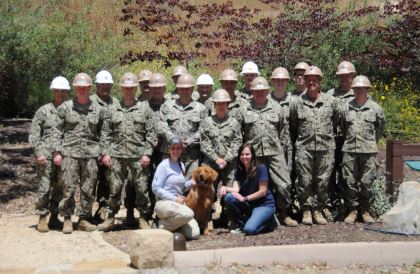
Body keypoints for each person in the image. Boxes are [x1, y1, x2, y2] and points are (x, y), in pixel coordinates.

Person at [99, 72, 157, 231]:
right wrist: (106, 153)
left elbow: (151, 134)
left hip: (138, 157)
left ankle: (143, 218)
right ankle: (110, 218)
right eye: (126, 88)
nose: (129, 91)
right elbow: (105, 133)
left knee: (141, 189)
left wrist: (147, 153)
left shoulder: (145, 109)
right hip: (116, 156)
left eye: (131, 88)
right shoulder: (112, 109)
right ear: (121, 88)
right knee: (114, 189)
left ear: (135, 88)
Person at [238, 76, 296, 227]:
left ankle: (283, 213)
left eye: (263, 91)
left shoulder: (277, 108)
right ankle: (261, 215)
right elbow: (240, 133)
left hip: (275, 152)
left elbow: (283, 131)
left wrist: (283, 150)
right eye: (256, 91)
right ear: (251, 91)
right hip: (254, 155)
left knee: (284, 184)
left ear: (267, 91)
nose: (259, 94)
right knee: (255, 187)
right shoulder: (244, 109)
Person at [53, 73, 103, 234]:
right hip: (70, 154)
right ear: (75, 88)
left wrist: (103, 152)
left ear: (90, 88)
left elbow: (104, 133)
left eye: (85, 87)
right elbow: (56, 131)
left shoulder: (98, 109)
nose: (82, 89)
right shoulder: (65, 107)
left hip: (90, 155)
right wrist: (56, 152)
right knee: (68, 188)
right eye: (79, 87)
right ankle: (67, 219)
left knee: (88, 189)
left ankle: (83, 219)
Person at [290, 66, 340, 225]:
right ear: (304, 81)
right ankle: (306, 210)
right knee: (304, 180)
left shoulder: (331, 101)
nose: (311, 82)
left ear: (320, 82)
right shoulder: (297, 102)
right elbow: (293, 124)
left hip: (326, 149)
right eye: (308, 80)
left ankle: (318, 209)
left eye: (314, 80)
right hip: (304, 148)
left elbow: (338, 122)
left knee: (323, 180)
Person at [339, 75, 385, 224]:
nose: (359, 91)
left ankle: (365, 210)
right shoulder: (345, 107)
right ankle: (352, 210)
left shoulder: (376, 108)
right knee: (349, 181)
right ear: (353, 90)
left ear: (367, 89)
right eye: (356, 89)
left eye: (362, 88)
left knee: (367, 182)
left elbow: (380, 128)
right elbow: (343, 127)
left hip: (369, 151)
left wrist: (371, 142)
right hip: (350, 150)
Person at [29, 76, 70, 232]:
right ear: (53, 91)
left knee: (61, 188)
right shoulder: (43, 111)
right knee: (44, 187)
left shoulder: (71, 110)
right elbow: (34, 135)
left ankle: (54, 217)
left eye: (63, 90)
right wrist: (39, 153)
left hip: (65, 156)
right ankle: (42, 217)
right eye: (57, 90)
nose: (60, 93)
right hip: (45, 156)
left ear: (67, 92)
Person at [219, 143, 276, 235]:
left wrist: (244, 198)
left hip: (263, 205)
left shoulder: (261, 168)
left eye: (247, 154)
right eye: (242, 154)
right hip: (250, 204)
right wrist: (224, 187)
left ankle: (270, 222)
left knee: (249, 230)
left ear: (252, 155)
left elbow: (262, 192)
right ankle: (242, 225)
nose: (244, 157)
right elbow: (236, 189)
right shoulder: (239, 170)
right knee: (229, 198)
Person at [159, 73, 208, 179]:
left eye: (188, 89)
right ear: (177, 89)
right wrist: (176, 140)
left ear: (193, 89)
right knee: (169, 185)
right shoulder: (167, 106)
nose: (185, 92)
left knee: (189, 188)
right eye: (182, 89)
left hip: (191, 156)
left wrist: (189, 141)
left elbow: (204, 129)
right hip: (170, 154)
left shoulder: (201, 108)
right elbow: (162, 126)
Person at [152, 137, 200, 240]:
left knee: (195, 234)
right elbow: (155, 188)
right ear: (169, 150)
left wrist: (192, 183)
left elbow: (180, 186)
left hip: (178, 204)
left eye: (178, 148)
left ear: (182, 150)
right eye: (173, 148)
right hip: (164, 203)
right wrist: (175, 199)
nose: (176, 151)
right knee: (189, 214)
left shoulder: (180, 165)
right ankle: (160, 224)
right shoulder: (163, 165)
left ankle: (171, 227)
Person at [326, 61, 357, 213]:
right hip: (332, 140)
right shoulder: (330, 95)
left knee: (348, 174)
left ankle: (349, 206)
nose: (344, 78)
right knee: (329, 172)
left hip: (350, 142)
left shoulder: (358, 94)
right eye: (341, 76)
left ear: (353, 76)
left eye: (347, 75)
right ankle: (330, 204)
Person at [90, 70, 119, 223]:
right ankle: (86, 213)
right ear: (97, 85)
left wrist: (107, 151)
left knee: (107, 180)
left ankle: (102, 208)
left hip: (110, 149)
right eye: (102, 84)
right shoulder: (89, 102)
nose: (105, 87)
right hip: (92, 150)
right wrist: (99, 151)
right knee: (90, 181)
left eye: (108, 85)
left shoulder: (115, 103)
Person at [200, 89, 242, 191]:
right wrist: (216, 159)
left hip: (230, 164)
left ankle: (227, 207)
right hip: (211, 162)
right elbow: (204, 143)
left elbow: (237, 143)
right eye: (218, 103)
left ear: (228, 105)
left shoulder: (234, 123)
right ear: (214, 105)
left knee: (231, 193)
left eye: (224, 103)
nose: (221, 106)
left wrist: (226, 159)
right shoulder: (207, 122)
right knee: (206, 191)